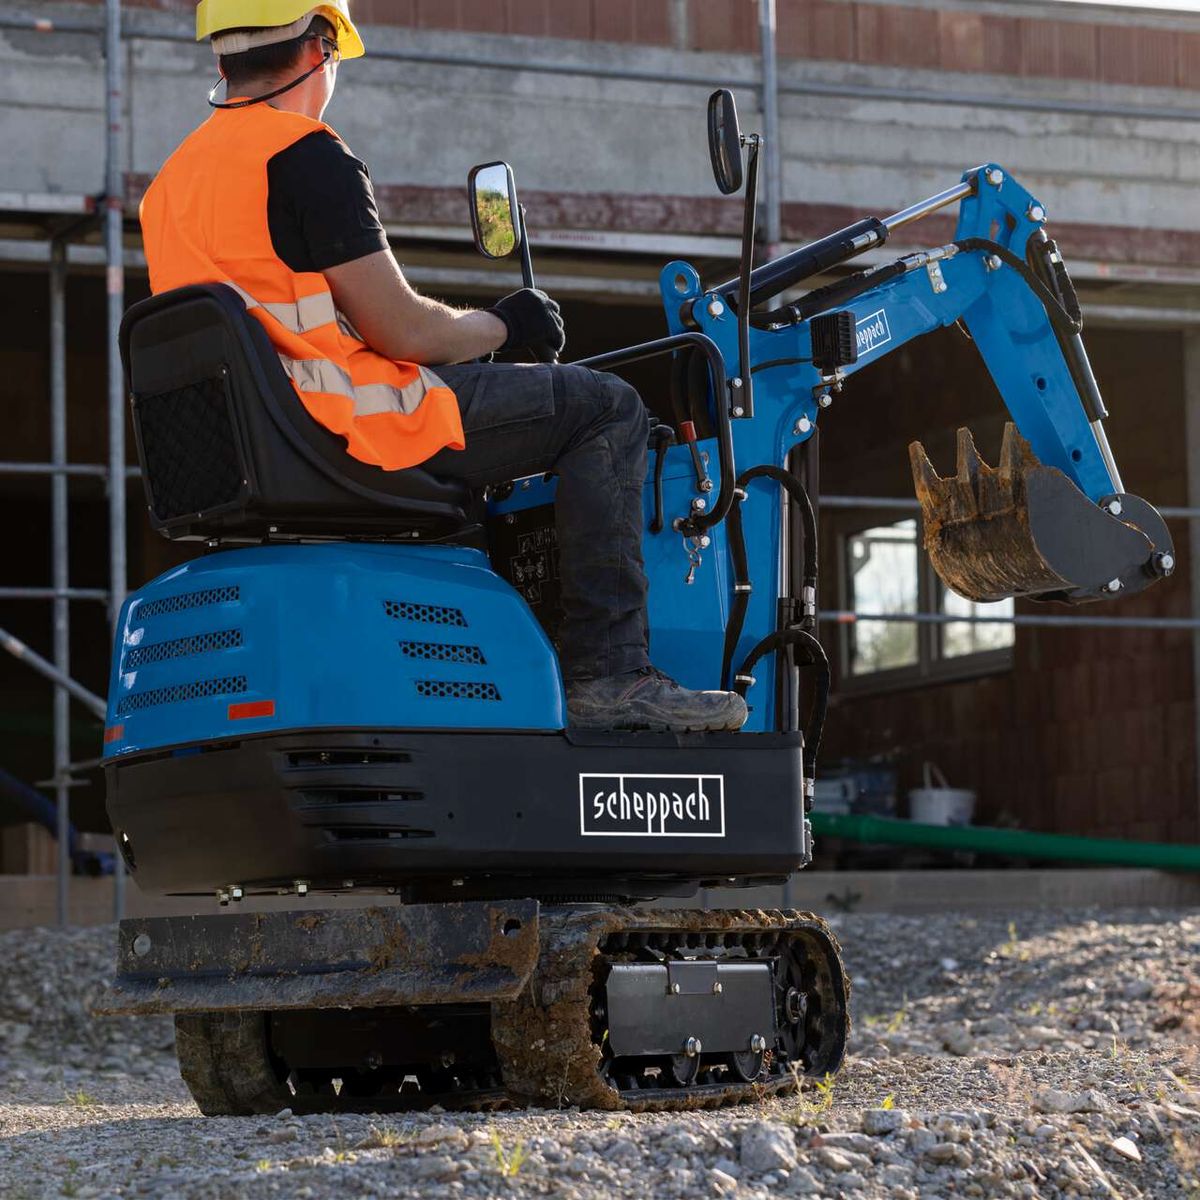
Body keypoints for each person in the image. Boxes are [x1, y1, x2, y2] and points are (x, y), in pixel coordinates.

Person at [141, 1, 747, 733]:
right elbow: (400, 330)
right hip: (357, 423)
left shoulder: (168, 189)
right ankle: (611, 675)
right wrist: (506, 323)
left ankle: (507, 668)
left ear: (220, 60)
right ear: (321, 47)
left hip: (263, 446)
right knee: (605, 408)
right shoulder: (305, 156)